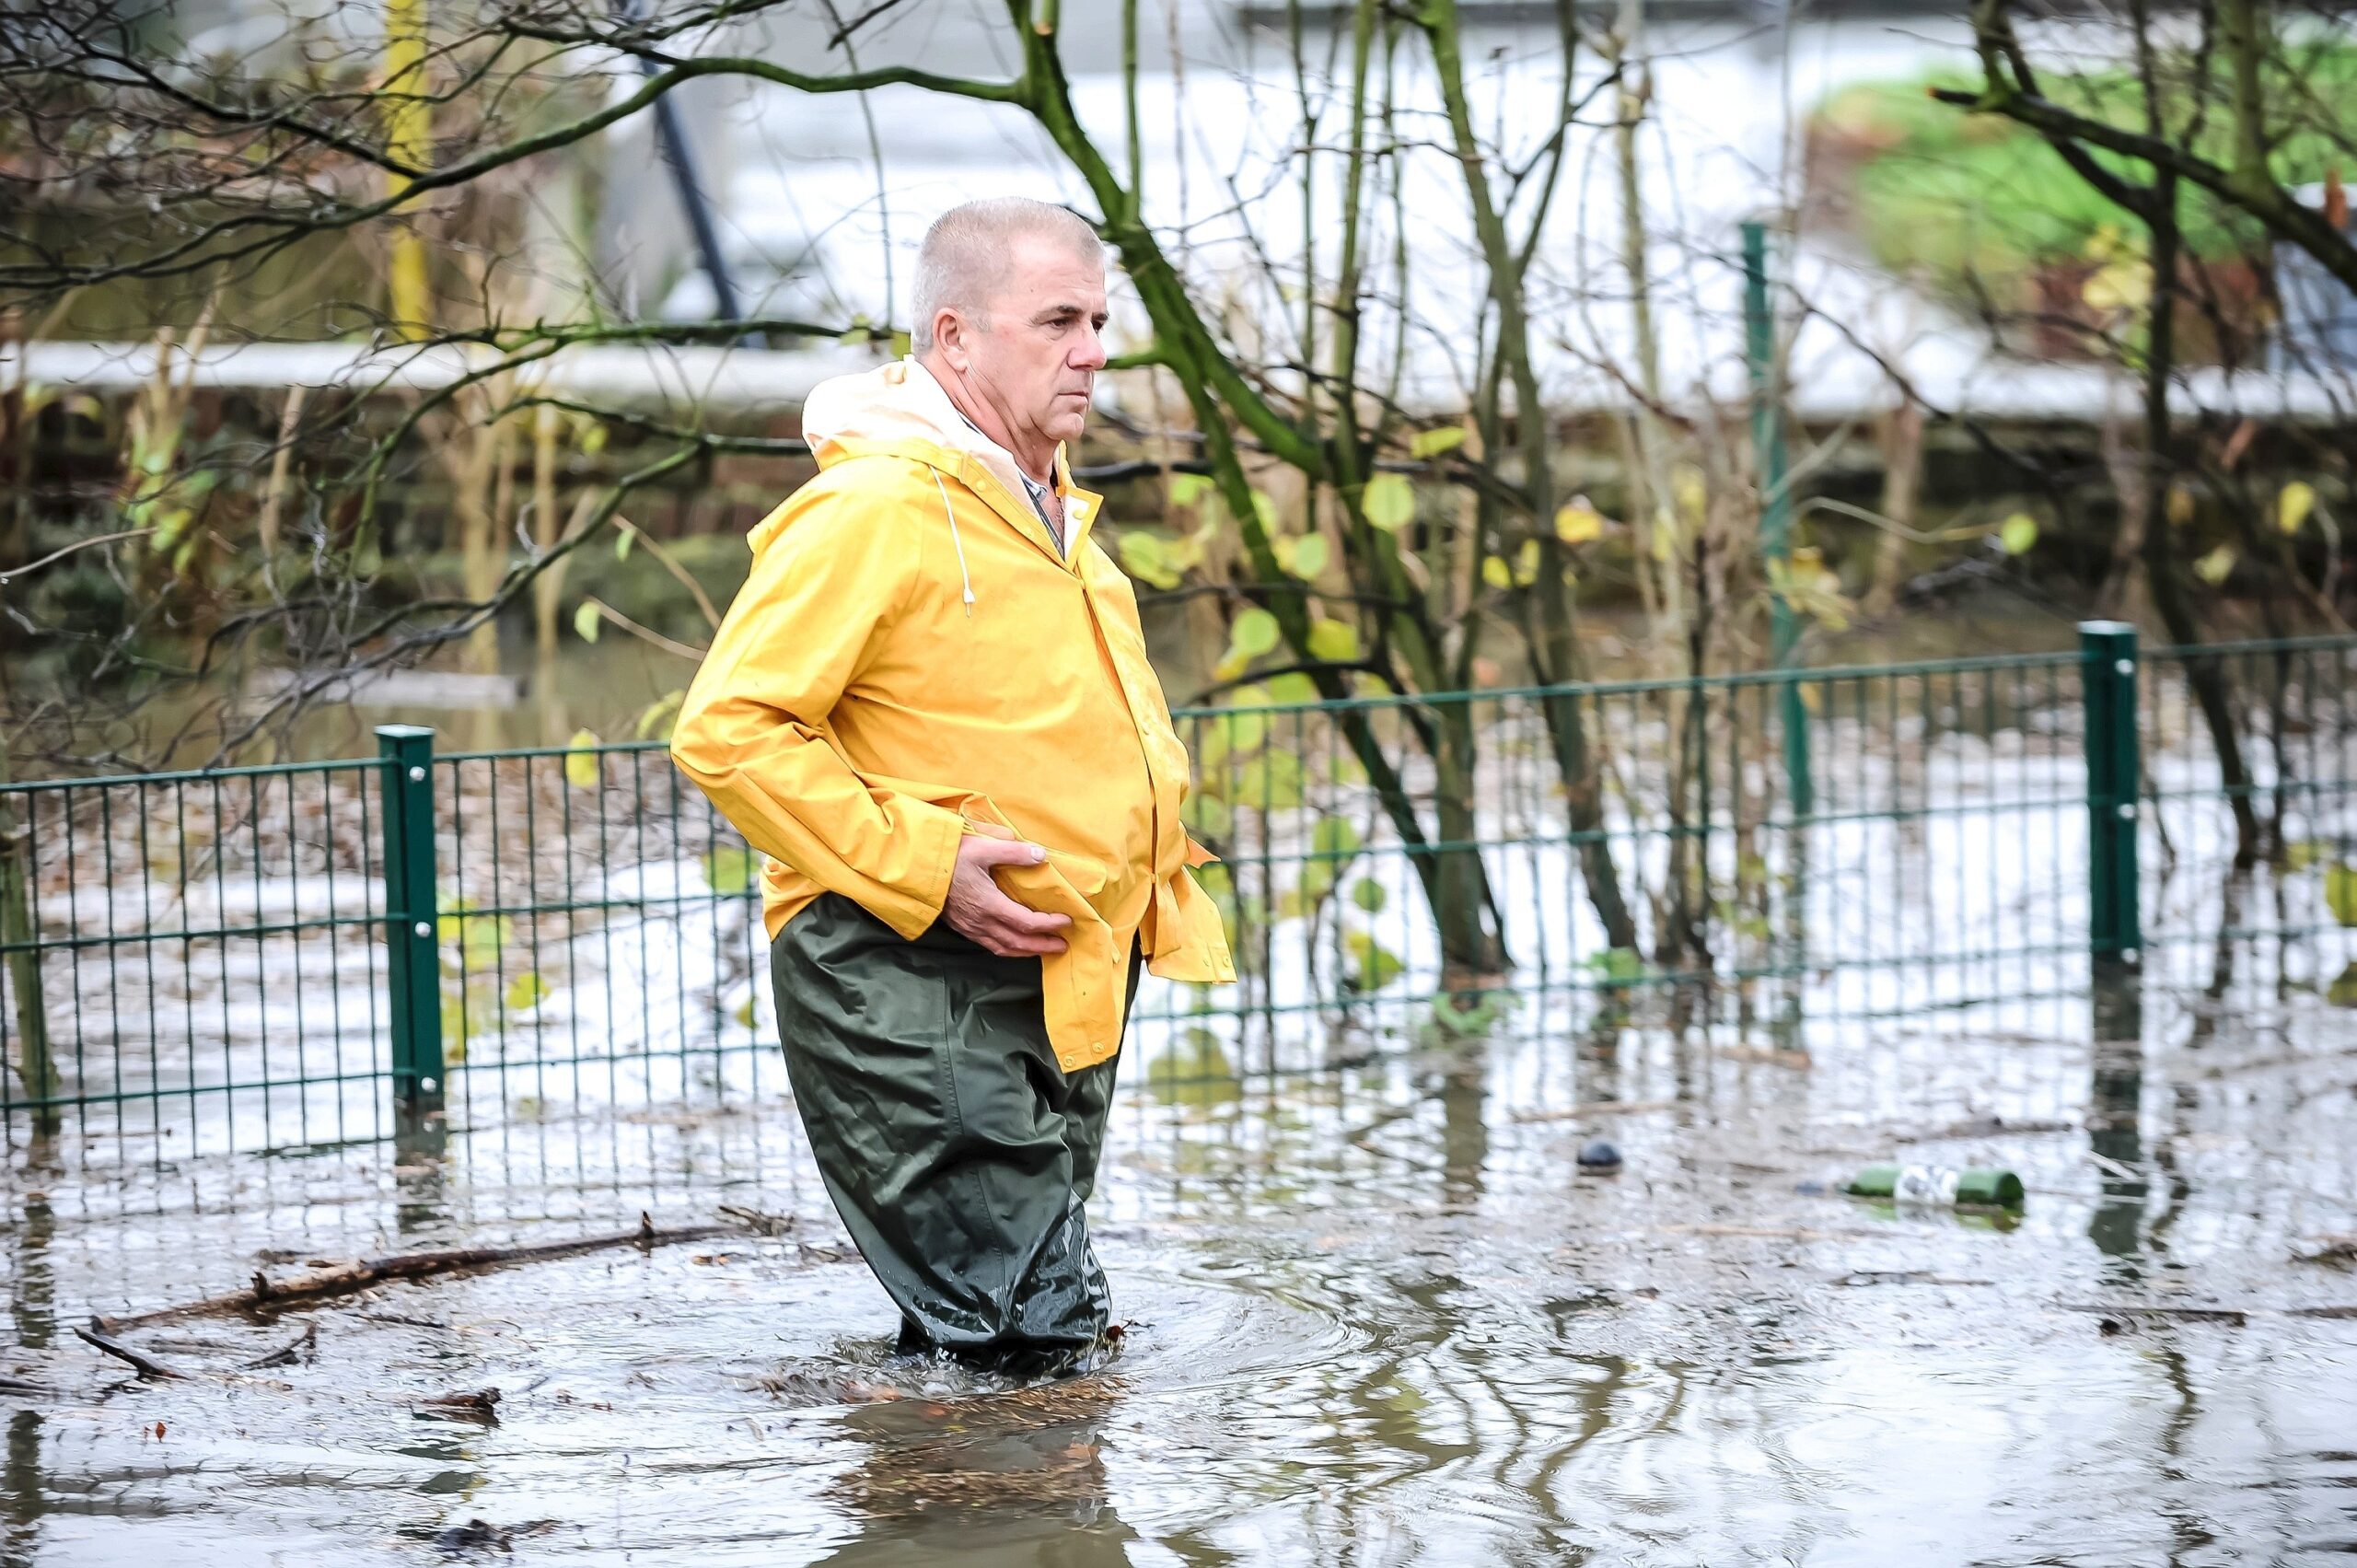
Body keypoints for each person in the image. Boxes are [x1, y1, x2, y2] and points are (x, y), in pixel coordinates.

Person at [669, 197, 1234, 1375]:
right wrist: (927, 867)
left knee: (1001, 1335)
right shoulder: (875, 507)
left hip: (1060, 970)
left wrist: (1147, 834)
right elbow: (728, 728)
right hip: (907, 970)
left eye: (1099, 319)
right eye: (1059, 321)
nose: (1095, 350)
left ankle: (946, 1508)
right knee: (1040, 1341)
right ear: (956, 337)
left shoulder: (1049, 507)